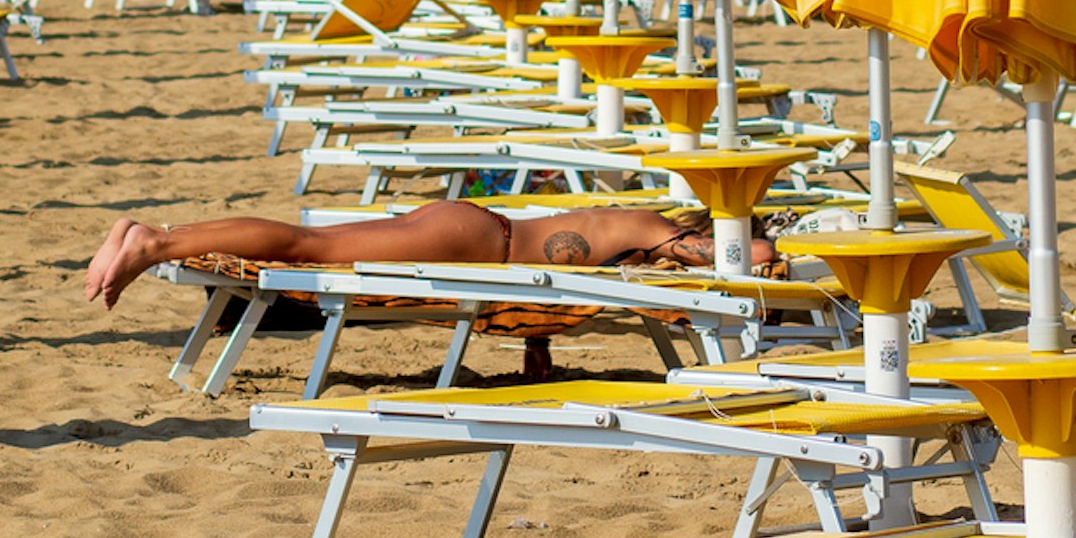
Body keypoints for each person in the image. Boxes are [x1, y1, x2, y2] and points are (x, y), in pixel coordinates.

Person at [83, 199, 713, 306]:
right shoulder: (656, 227)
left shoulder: (643, 240)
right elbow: (721, 254)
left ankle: (154, 235)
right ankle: (156, 241)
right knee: (309, 247)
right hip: (476, 243)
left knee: (313, 247)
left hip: (474, 235)